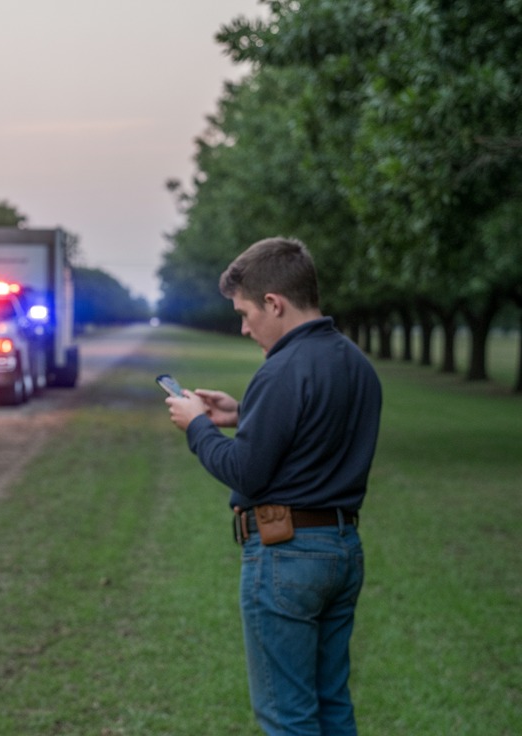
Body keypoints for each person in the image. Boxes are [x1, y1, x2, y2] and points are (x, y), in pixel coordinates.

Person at [165, 237, 381, 735]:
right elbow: (314, 432)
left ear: (273, 303)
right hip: (342, 549)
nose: (243, 327)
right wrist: (242, 414)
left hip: (287, 556)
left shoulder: (282, 367)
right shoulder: (355, 363)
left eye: (244, 313)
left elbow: (246, 471)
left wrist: (198, 427)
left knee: (287, 716)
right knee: (331, 704)